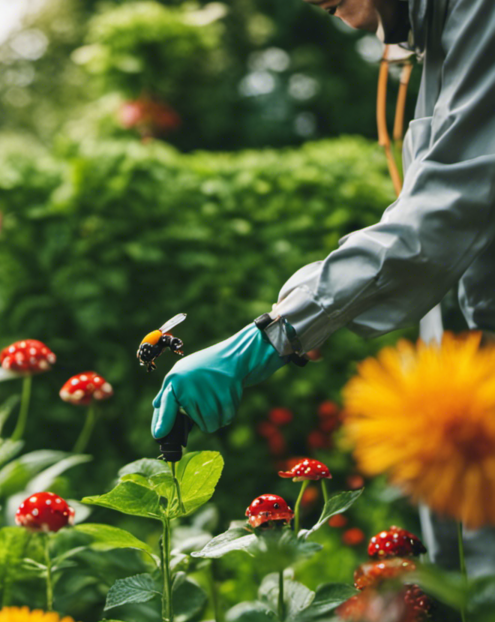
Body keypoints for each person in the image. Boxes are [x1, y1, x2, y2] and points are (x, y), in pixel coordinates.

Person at [151, 0, 495, 575]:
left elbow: (444, 214)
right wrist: (292, 317)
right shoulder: (436, 35)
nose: (326, 10)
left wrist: (276, 334)